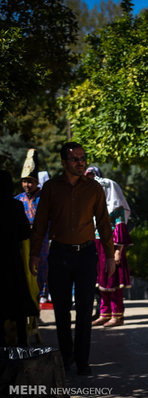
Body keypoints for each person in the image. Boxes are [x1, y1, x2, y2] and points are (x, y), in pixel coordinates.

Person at [30, 142, 116, 375]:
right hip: (59, 254)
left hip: (87, 254)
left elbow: (105, 224)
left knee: (86, 309)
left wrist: (110, 255)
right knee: (61, 310)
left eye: (83, 158)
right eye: (75, 159)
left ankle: (82, 361)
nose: (80, 162)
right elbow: (39, 224)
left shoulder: (94, 188)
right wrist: (35, 253)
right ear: (63, 162)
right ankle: (66, 358)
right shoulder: (51, 188)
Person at [86, 167, 132, 328]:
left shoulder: (116, 210)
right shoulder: (95, 207)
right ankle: (104, 313)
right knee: (102, 282)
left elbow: (121, 232)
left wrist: (118, 251)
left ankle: (117, 315)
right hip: (98, 248)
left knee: (113, 282)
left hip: (111, 249)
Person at [1, 170, 38, 346]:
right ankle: (23, 347)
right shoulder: (15, 206)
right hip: (12, 261)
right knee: (18, 306)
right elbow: (25, 233)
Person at [14, 148, 50, 304]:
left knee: (42, 272)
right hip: (23, 243)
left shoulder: (46, 198)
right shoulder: (17, 200)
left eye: (30, 181)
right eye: (24, 181)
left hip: (42, 242)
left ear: (36, 182)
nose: (27, 185)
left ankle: (41, 300)